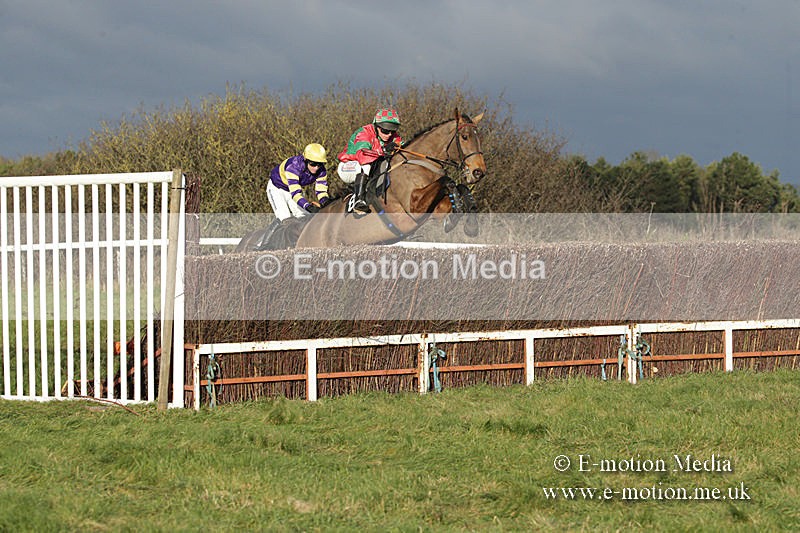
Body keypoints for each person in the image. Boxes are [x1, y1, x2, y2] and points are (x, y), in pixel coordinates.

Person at [337, 107, 402, 213]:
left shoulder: (393, 137)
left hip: (371, 168)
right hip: (348, 166)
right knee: (366, 164)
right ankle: (359, 200)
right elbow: (363, 154)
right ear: (376, 126)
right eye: (385, 130)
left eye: (392, 130)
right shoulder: (364, 133)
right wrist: (384, 150)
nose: (389, 134)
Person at [267, 143, 330, 221]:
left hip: (293, 189)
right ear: (306, 160)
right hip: (277, 189)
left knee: (304, 217)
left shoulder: (322, 171)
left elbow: (321, 191)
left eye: (320, 164)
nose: (316, 168)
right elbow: (295, 194)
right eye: (313, 164)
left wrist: (326, 203)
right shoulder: (293, 166)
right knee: (285, 217)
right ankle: (272, 232)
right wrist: (308, 207)